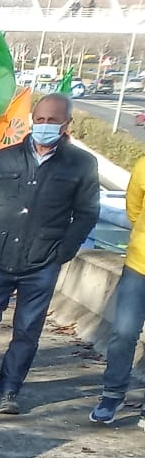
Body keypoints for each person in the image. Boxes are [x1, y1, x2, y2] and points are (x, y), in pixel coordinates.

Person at [0, 94, 101, 413]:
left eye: (53, 121)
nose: (45, 126)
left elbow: (86, 213)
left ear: (67, 124)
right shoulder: (4, 158)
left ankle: (9, 389)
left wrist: (63, 252)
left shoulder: (81, 164)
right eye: (40, 120)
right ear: (32, 120)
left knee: (27, 331)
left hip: (42, 262)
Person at [94, 153, 145, 424]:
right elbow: (134, 210)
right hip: (139, 265)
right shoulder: (143, 164)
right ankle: (112, 393)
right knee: (124, 332)